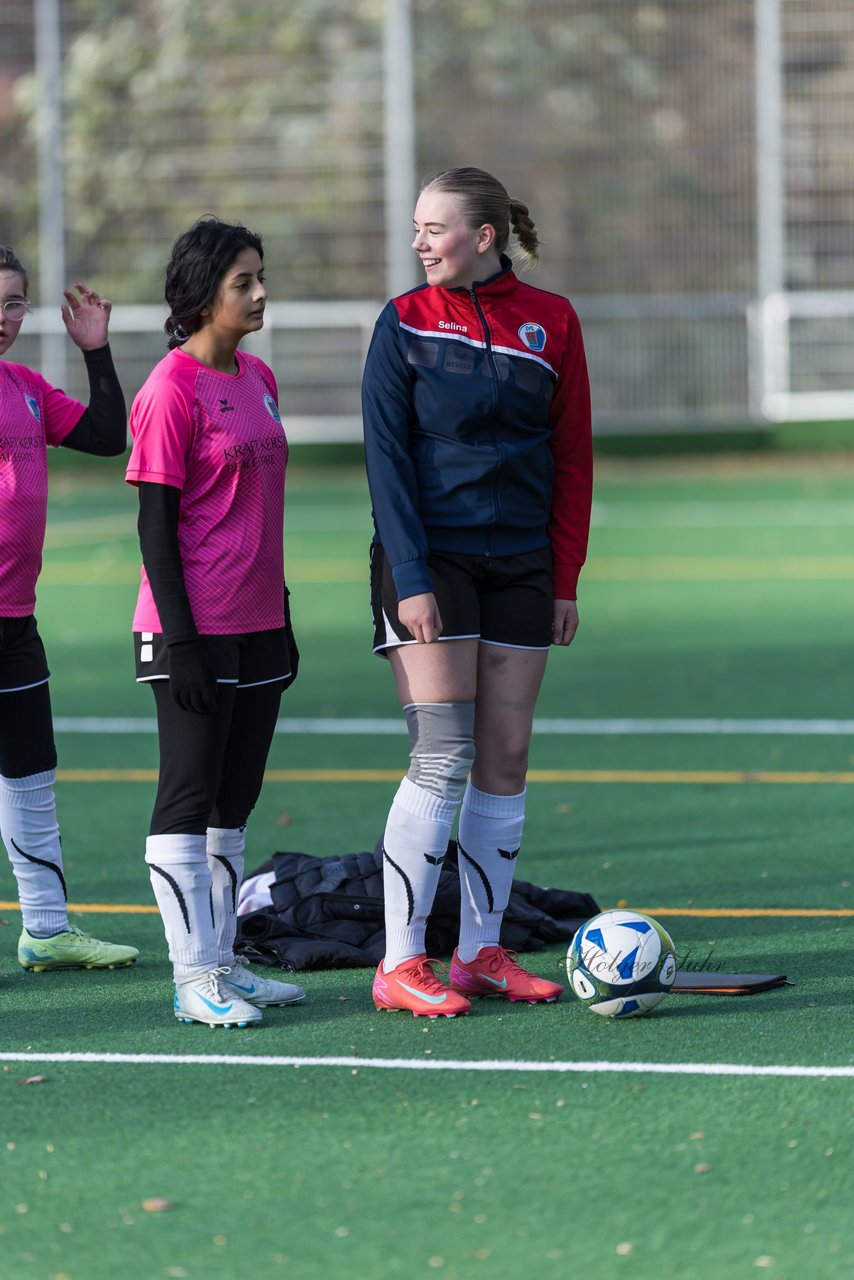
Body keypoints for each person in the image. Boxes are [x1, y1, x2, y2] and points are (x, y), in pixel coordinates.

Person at [361, 167, 592, 1017]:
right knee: (443, 754)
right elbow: (386, 463)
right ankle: (399, 962)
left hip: (525, 564)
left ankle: (480, 954)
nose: (419, 242)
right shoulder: (404, 323)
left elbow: (573, 459)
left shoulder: (554, 321)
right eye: (416, 227)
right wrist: (413, 580)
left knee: (505, 761)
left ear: (484, 237)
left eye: (436, 228)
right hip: (433, 562)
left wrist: (562, 575)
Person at [126, 217, 305, 1028]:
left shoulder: (260, 376)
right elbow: (156, 528)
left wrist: (285, 615)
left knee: (235, 800)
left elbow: (260, 511)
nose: (261, 292)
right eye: (244, 282)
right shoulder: (169, 388)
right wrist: (183, 640)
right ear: (202, 294)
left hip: (259, 622)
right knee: (188, 796)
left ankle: (226, 961)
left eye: (261, 277)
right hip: (190, 627)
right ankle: (192, 976)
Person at [0, 245, 139, 973]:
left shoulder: (23, 386)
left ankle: (47, 929)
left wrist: (97, 351)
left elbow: (105, 436)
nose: (3, 319)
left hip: (13, 623)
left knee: (31, 773)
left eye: (13, 303)